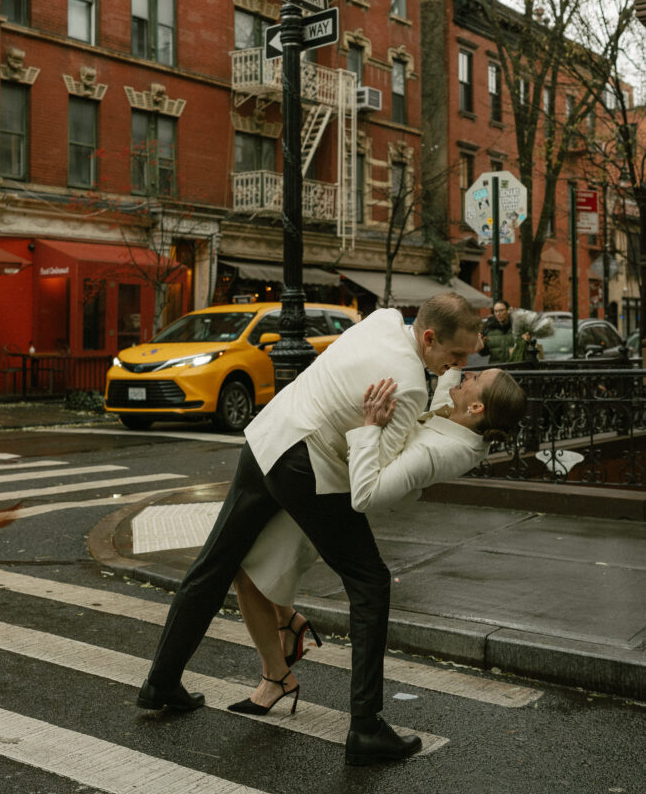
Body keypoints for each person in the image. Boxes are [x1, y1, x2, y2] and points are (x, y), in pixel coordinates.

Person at [137, 293, 483, 766]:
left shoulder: (381, 321)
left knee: (214, 564)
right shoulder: (407, 389)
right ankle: (365, 726)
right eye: (455, 356)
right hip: (307, 466)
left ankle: (161, 682)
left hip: (270, 433)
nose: (457, 367)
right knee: (369, 581)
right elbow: (374, 479)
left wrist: (447, 378)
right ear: (428, 337)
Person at [230, 369, 527, 732]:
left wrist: (370, 425)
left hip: (333, 491)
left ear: (478, 405)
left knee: (248, 574)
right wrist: (451, 356)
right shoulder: (461, 423)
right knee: (250, 571)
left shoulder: (443, 451)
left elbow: (365, 494)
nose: (468, 373)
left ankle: (278, 671)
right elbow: (446, 392)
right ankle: (286, 633)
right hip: (325, 475)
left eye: (476, 377)